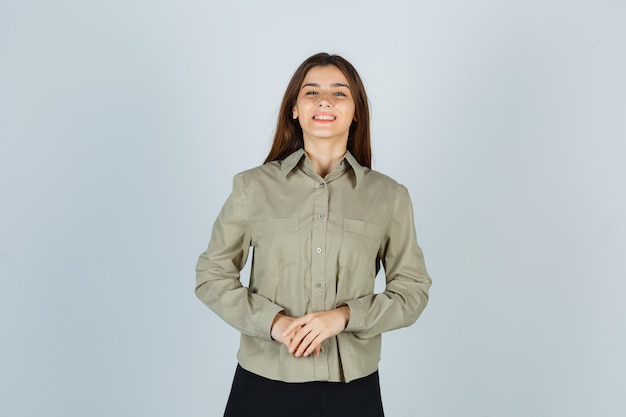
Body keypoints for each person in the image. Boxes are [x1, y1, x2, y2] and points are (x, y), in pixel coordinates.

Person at [195, 52, 432, 417]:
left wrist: (344, 317)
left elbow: (412, 290)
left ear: (356, 112)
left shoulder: (389, 196)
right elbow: (212, 275)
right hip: (263, 384)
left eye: (340, 93)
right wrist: (274, 323)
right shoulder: (253, 188)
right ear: (294, 109)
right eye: (312, 92)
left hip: (352, 391)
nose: (325, 100)